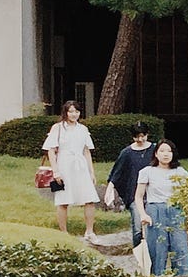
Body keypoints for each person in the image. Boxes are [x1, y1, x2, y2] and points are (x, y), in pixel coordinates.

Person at [134, 140, 188, 277]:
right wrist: (143, 214)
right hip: (155, 211)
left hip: (176, 211)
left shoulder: (180, 172)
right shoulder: (147, 172)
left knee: (180, 246)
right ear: (156, 154)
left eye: (169, 151)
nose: (166, 154)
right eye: (162, 151)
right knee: (157, 248)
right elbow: (139, 196)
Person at [43, 101, 100, 242]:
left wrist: (91, 172)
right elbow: (51, 150)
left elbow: (86, 151)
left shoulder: (83, 129)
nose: (74, 114)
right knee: (63, 200)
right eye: (71, 111)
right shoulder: (58, 128)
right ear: (65, 113)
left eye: (77, 111)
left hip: (80, 166)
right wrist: (56, 171)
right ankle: (64, 233)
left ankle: (89, 231)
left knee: (89, 199)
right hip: (64, 165)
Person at [104, 121, 159, 249]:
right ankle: (139, 255)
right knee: (138, 229)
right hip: (135, 194)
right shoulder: (127, 153)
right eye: (137, 136)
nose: (140, 139)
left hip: (154, 193)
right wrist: (110, 189)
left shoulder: (155, 150)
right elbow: (117, 172)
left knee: (156, 226)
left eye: (143, 135)